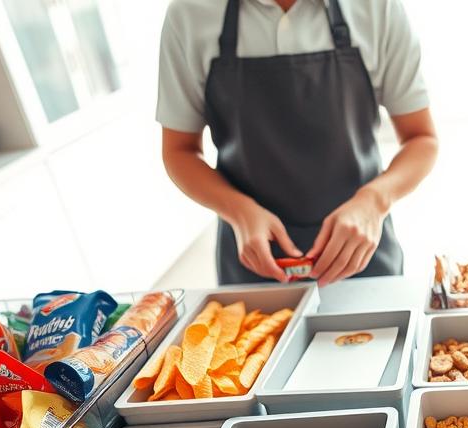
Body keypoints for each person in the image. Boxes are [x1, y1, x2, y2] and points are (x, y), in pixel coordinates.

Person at [156, 0, 438, 286]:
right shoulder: (190, 13)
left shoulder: (376, 6)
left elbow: (422, 139)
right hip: (252, 268)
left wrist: (373, 201)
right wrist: (239, 212)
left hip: (363, 262)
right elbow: (179, 151)